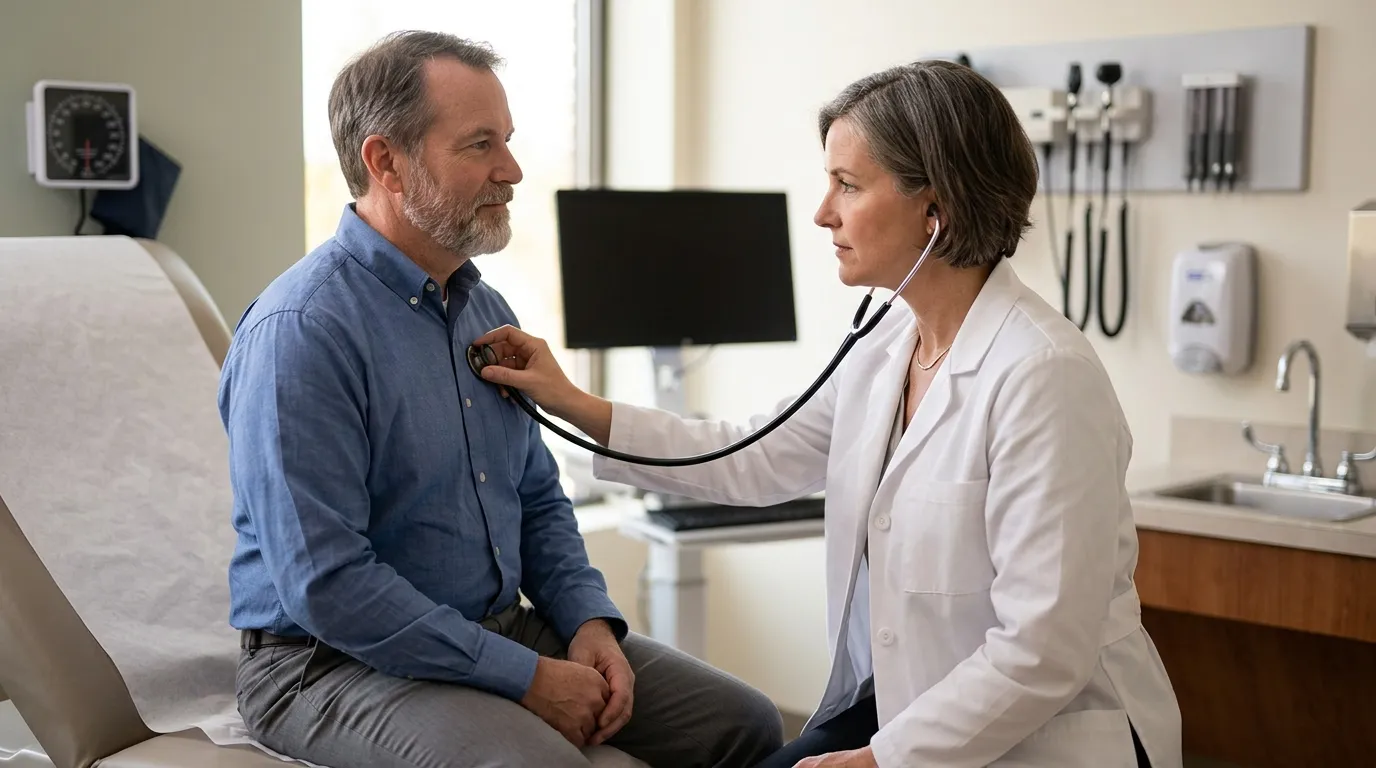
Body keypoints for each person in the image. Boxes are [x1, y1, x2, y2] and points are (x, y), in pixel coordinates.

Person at [472, 60, 1184, 768]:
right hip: (912, 706)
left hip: (1043, 737)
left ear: (935, 210)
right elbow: (748, 455)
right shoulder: (886, 344)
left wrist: (879, 762)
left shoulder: (1042, 378)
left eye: (847, 185)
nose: (822, 212)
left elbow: (1042, 652)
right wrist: (571, 401)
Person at [218, 30, 783, 768]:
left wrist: (586, 622)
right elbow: (328, 585)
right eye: (480, 145)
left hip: (496, 624)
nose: (511, 170)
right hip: (324, 664)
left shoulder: (484, 312)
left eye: (508, 141)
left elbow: (537, 497)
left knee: (744, 724)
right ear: (385, 161)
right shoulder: (303, 332)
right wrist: (525, 678)